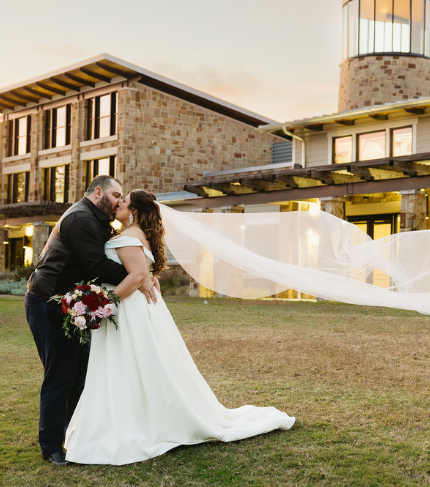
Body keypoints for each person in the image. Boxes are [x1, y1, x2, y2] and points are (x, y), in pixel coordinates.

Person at [64, 189, 295, 465]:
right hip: (135, 307)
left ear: (134, 210)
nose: (118, 204)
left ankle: (135, 422)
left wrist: (104, 303)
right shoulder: (140, 237)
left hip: (126, 308)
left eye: (123, 201)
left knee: (125, 363)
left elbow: (137, 275)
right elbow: (142, 273)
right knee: (133, 364)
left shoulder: (127, 238)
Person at [25, 176, 158, 466]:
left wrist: (142, 274)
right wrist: (139, 276)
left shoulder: (99, 221)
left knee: (80, 375)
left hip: (73, 306)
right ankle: (51, 446)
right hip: (47, 303)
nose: (119, 201)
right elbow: (96, 266)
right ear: (98, 192)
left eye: (122, 197)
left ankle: (76, 437)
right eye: (115, 195)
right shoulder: (80, 219)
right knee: (60, 376)